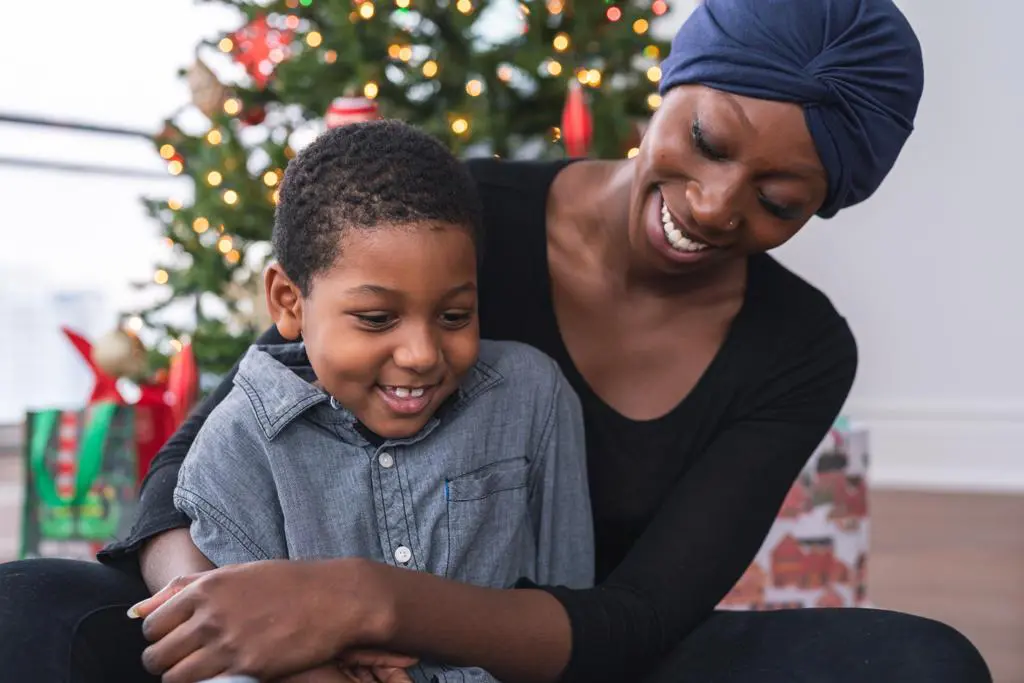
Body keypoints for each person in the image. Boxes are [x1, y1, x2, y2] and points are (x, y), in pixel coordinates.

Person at [0, 0, 993, 682]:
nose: (712, 204)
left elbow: (639, 617)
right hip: (289, 622)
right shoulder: (450, 213)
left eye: (779, 200)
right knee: (27, 606)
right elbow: (188, 465)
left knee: (919, 663)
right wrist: (245, 626)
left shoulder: (797, 347)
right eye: (708, 140)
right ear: (670, 88)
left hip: (555, 653)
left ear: (822, 204)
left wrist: (359, 601)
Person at [171, 120, 593, 683]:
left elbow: (571, 615)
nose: (421, 355)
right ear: (288, 301)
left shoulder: (530, 397)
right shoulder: (236, 449)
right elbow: (235, 655)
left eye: (454, 316)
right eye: (376, 319)